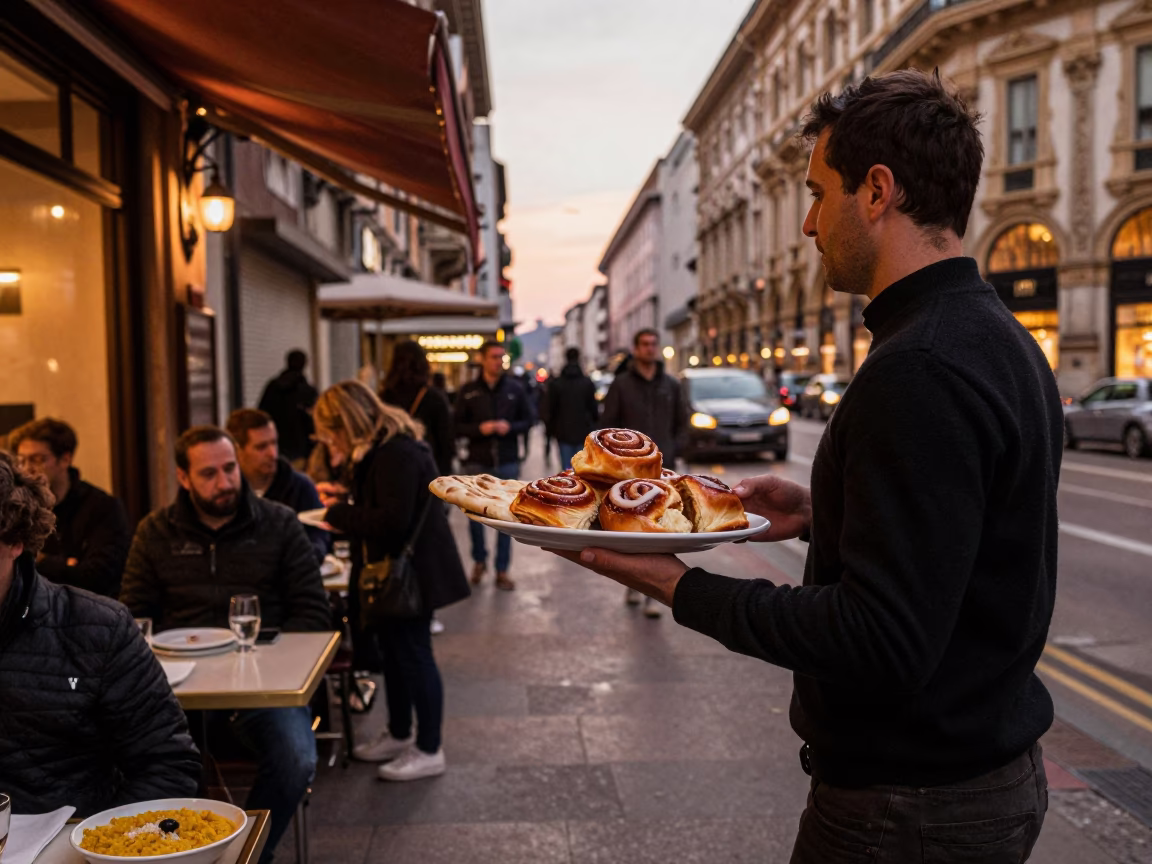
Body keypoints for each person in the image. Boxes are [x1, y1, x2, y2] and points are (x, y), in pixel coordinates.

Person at [558, 70, 1060, 863]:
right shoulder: (998, 338)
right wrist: (825, 511)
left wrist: (676, 585)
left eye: (820, 194)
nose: (806, 223)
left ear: (877, 192)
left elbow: (880, 639)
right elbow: (971, 538)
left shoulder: (919, 367)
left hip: (907, 809)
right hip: (973, 779)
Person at [120, 426, 330, 862]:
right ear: (183, 477)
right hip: (176, 689)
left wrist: (268, 659)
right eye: (209, 473)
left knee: (296, 757)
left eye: (230, 468)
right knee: (132, 759)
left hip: (262, 687)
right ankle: (180, 850)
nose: (225, 482)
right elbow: (134, 616)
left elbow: (312, 614)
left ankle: (248, 852)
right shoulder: (155, 531)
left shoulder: (279, 523)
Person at [0, 451, 201, 816]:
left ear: (15, 540)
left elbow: (168, 765)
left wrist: (97, 838)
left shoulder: (98, 629)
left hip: (75, 835)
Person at [312, 381, 469, 780]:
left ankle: (429, 748)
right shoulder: (387, 448)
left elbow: (392, 521)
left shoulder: (393, 453)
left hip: (410, 574)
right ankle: (400, 733)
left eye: (331, 434)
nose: (331, 442)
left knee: (414, 655)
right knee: (397, 654)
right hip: (402, 571)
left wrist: (339, 514)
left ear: (346, 423)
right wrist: (346, 497)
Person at [601, 329, 689, 617]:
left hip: (663, 470)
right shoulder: (622, 384)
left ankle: (653, 593)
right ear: (636, 349)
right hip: (628, 471)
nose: (650, 349)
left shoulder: (670, 384)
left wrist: (674, 449)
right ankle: (633, 582)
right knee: (633, 531)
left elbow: (682, 420)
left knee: (661, 530)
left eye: (653, 344)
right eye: (645, 344)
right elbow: (608, 423)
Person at [8, 417, 131, 598]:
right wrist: (67, 565)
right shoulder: (15, 506)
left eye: (37, 459)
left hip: (88, 608)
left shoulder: (102, 507)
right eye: (21, 461)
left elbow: (99, 577)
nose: (27, 469)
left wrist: (39, 560)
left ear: (65, 459)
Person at [453, 341, 536, 590]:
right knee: (475, 517)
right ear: (482, 359)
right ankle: (479, 561)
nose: (498, 361)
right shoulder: (469, 390)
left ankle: (502, 569)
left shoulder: (514, 389)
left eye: (501, 357)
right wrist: (480, 429)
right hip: (477, 462)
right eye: (493, 357)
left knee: (507, 519)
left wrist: (510, 427)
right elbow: (455, 426)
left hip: (507, 461)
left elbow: (530, 419)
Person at [226, 408, 329, 564]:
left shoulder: (300, 486)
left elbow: (319, 537)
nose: (272, 454)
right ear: (237, 451)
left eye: (274, 443)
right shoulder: (227, 492)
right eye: (261, 447)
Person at [380, 340, 455, 477]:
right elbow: (446, 441)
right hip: (427, 468)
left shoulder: (384, 397)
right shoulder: (434, 397)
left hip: (391, 467)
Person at [258, 349, 319, 465]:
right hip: (300, 450)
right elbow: (313, 422)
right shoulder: (308, 391)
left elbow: (262, 415)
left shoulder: (273, 387)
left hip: (277, 448)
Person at [546, 347, 599, 470]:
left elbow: (550, 410)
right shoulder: (587, 383)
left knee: (567, 470)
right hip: (583, 432)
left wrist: (551, 430)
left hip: (563, 433)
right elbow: (593, 410)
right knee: (582, 469)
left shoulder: (557, 383)